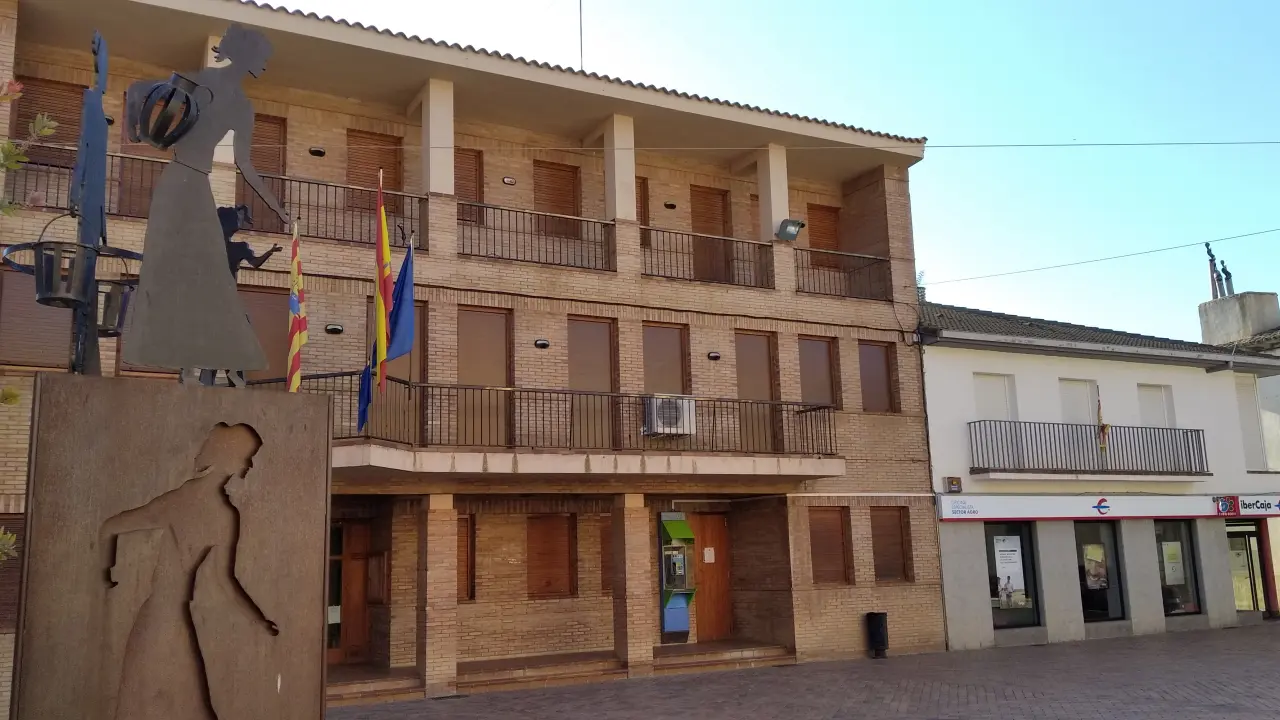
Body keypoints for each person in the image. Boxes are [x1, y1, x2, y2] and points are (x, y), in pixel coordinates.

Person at [122, 24, 290, 378]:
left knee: (207, 273)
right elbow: (137, 91)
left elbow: (245, 164)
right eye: (262, 57)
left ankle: (200, 362)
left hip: (194, 185)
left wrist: (276, 208)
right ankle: (184, 364)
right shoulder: (203, 83)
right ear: (246, 55)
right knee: (171, 269)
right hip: (180, 182)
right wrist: (136, 131)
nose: (264, 64)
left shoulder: (238, 104)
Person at [99, 423, 277, 720]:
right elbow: (109, 527)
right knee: (178, 706)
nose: (249, 464)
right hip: (161, 621)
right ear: (229, 456)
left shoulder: (213, 510)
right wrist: (104, 575)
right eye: (247, 457)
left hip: (164, 617)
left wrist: (256, 620)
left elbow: (223, 580)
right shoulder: (205, 509)